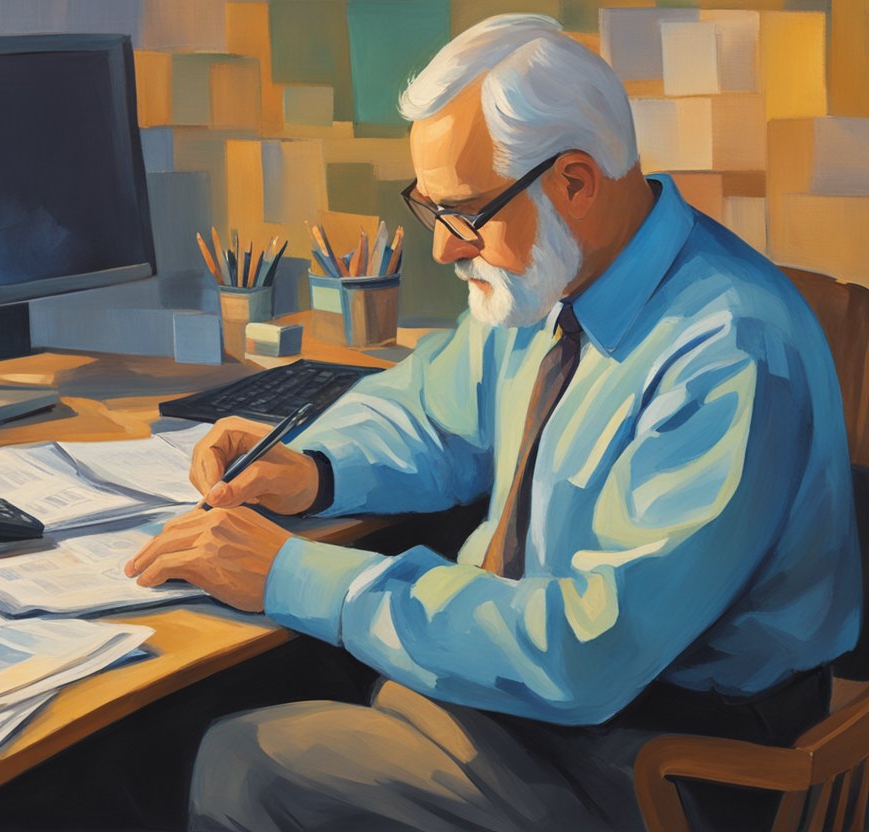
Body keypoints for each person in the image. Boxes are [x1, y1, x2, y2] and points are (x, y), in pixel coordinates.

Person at [125, 14, 861, 831]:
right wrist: (315, 469)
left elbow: (587, 653)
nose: (443, 250)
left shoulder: (731, 350)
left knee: (241, 764)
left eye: (463, 212)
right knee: (236, 706)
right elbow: (429, 415)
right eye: (430, 208)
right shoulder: (548, 277)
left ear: (575, 182)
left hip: (662, 755)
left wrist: (290, 577)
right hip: (535, 707)